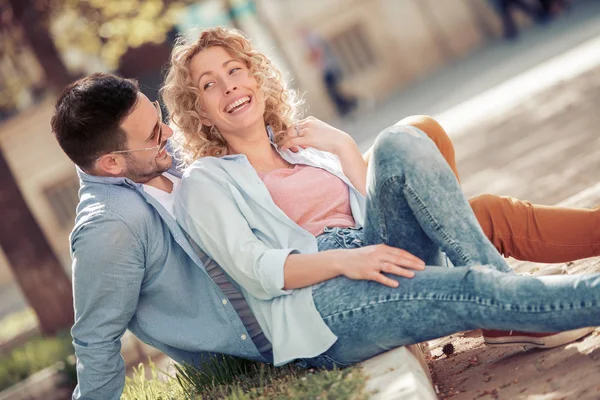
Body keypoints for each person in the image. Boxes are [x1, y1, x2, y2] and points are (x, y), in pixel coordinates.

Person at [51, 45, 597, 400]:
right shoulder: (116, 224)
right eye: (152, 135)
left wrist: (341, 152)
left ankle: (513, 307)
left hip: (345, 256)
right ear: (111, 165)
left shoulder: (185, 167)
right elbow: (97, 340)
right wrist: (348, 258)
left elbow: (356, 211)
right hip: (302, 315)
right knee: (475, 273)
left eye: (160, 121)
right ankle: (527, 303)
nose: (166, 135)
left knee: (408, 141)